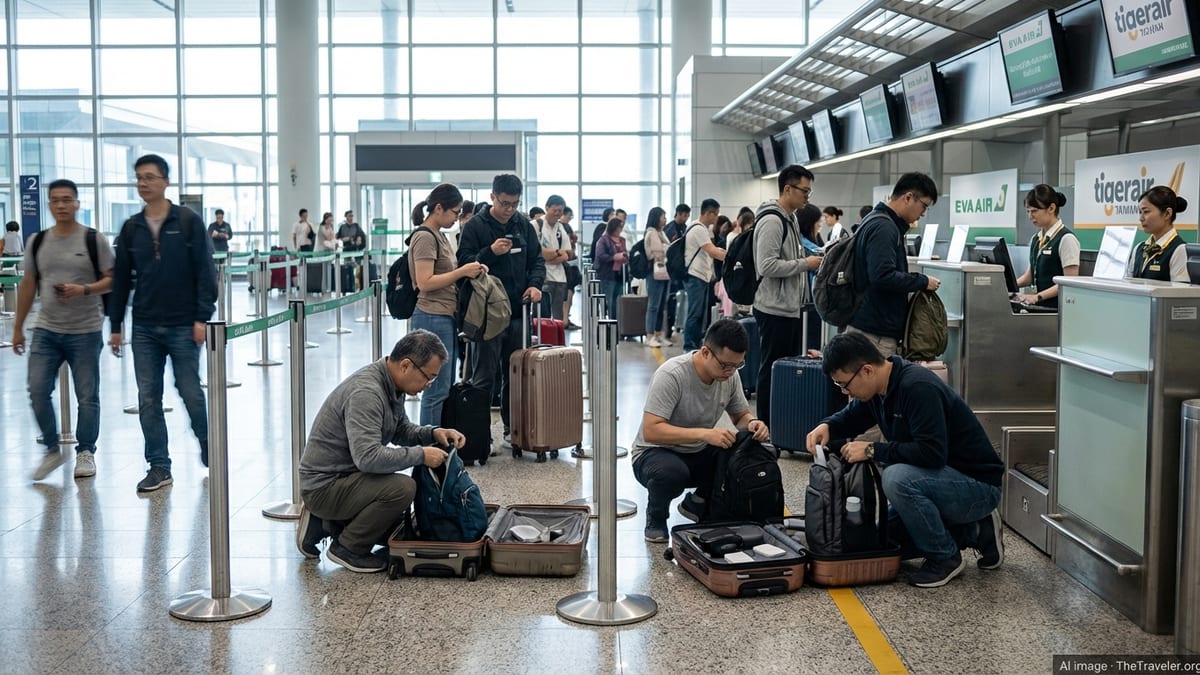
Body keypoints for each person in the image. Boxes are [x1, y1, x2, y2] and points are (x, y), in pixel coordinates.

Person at [805, 332, 1004, 588]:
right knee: (884, 540)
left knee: (897, 478)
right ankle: (977, 530)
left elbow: (932, 453)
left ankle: (945, 558)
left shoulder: (917, 387)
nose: (845, 391)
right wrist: (827, 426)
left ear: (866, 370)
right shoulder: (879, 388)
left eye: (845, 384)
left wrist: (871, 450)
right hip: (939, 480)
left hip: (977, 485)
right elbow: (852, 416)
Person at [295, 330, 466, 573]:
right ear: (406, 365)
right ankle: (347, 548)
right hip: (325, 486)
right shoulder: (367, 393)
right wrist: (421, 454)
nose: (429, 385)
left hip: (347, 478)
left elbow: (399, 429)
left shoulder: (392, 383)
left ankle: (325, 523)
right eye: (428, 377)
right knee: (402, 489)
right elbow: (368, 458)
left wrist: (433, 433)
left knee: (396, 529)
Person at [109, 154, 218, 492]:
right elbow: (122, 280)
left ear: (165, 181)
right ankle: (159, 465)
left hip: (184, 324)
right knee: (148, 398)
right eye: (139, 177)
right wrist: (115, 325)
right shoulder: (131, 228)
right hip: (144, 326)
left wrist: (202, 316)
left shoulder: (187, 221)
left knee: (189, 391)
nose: (144, 183)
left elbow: (205, 271)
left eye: (150, 177)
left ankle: (208, 442)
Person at [631, 319, 770, 542]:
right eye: (725, 365)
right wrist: (704, 434)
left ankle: (701, 504)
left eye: (738, 365)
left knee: (743, 445)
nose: (731, 371)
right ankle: (656, 517)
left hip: (697, 451)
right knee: (671, 472)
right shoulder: (672, 374)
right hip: (655, 453)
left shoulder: (730, 376)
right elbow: (651, 431)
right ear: (705, 352)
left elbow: (740, 416)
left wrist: (753, 423)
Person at [12, 178, 113, 481]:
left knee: (87, 395)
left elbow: (112, 278)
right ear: (49, 204)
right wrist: (18, 328)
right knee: (38, 390)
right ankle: (52, 449)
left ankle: (86, 451)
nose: (61, 205)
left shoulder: (94, 240)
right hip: (46, 328)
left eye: (67, 199)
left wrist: (83, 290)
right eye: (55, 200)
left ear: (77, 203)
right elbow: (28, 284)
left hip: (85, 329)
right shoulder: (38, 241)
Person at [456, 174, 545, 451]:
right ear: (493, 197)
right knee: (484, 375)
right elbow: (464, 265)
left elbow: (537, 261)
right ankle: (481, 435)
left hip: (518, 312)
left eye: (515, 204)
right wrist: (490, 252)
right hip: (486, 315)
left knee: (516, 373)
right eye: (505, 203)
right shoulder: (475, 227)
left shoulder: (524, 225)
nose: (509, 209)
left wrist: (534, 285)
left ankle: (513, 430)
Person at [408, 184, 488, 427]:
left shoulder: (439, 236)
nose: (456, 218)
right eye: (454, 212)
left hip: (444, 315)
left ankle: (438, 444)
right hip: (431, 316)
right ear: (438, 208)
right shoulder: (424, 237)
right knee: (434, 390)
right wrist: (461, 271)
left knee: (443, 387)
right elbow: (425, 282)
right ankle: (429, 448)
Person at [753, 165, 823, 425]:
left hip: (790, 306)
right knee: (772, 369)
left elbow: (791, 257)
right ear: (787, 189)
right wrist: (806, 264)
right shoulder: (773, 220)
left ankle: (781, 422)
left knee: (784, 369)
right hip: (774, 308)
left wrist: (811, 257)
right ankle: (766, 425)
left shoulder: (791, 217)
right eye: (804, 191)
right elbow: (766, 265)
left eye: (809, 191)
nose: (807, 197)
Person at [848, 173, 941, 358]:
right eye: (924, 206)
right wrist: (922, 281)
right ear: (908, 197)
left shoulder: (876, 219)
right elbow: (882, 276)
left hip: (868, 325)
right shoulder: (885, 227)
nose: (923, 213)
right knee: (871, 385)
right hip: (874, 333)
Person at [1013, 185, 1079, 307]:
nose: (1030, 216)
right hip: (1040, 307)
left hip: (1058, 311)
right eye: (1028, 211)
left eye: (1034, 211)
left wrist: (1036, 297)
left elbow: (1069, 282)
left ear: (1051, 208)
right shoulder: (1036, 239)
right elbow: (1029, 276)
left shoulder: (1066, 239)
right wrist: (1007, 286)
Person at [682, 198, 725, 351]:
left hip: (700, 276)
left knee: (699, 312)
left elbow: (713, 249)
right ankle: (689, 345)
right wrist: (734, 257)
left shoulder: (701, 228)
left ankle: (694, 343)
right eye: (716, 214)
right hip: (696, 277)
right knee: (695, 313)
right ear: (708, 213)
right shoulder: (699, 229)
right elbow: (713, 251)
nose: (717, 218)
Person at [1126, 185, 1190, 283]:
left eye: (1146, 212)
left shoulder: (1180, 250)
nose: (1141, 218)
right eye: (1140, 212)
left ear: (1167, 214)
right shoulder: (1138, 249)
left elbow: (1179, 294)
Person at [536, 195, 573, 321]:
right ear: (547, 208)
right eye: (555, 210)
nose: (557, 214)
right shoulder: (536, 225)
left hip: (560, 278)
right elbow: (538, 254)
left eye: (560, 211)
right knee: (542, 316)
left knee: (558, 318)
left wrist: (549, 255)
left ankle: (556, 341)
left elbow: (568, 254)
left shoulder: (561, 228)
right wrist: (557, 252)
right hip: (543, 277)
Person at [642, 206, 670, 347]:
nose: (665, 219)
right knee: (653, 305)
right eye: (662, 216)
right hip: (654, 273)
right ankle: (650, 335)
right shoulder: (652, 233)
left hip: (663, 272)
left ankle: (658, 334)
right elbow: (657, 252)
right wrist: (667, 249)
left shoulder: (661, 232)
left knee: (661, 305)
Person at [662, 203, 691, 343]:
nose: (685, 218)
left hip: (680, 270)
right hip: (671, 270)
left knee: (679, 300)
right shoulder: (669, 229)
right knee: (671, 301)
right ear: (678, 214)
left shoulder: (685, 229)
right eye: (683, 215)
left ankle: (676, 327)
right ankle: (667, 330)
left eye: (687, 216)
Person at [593, 217, 628, 321]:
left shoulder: (622, 240)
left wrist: (625, 257)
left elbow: (626, 253)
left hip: (620, 274)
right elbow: (600, 255)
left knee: (619, 301)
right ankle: (611, 323)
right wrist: (614, 257)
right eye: (618, 227)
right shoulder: (603, 240)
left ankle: (619, 325)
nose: (620, 230)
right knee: (610, 301)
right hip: (607, 274)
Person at [560, 205, 581, 329]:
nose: (570, 218)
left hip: (571, 263)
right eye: (569, 216)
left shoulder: (567, 226)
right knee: (567, 292)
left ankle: (566, 317)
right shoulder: (561, 227)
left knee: (570, 291)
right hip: (565, 263)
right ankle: (564, 319)